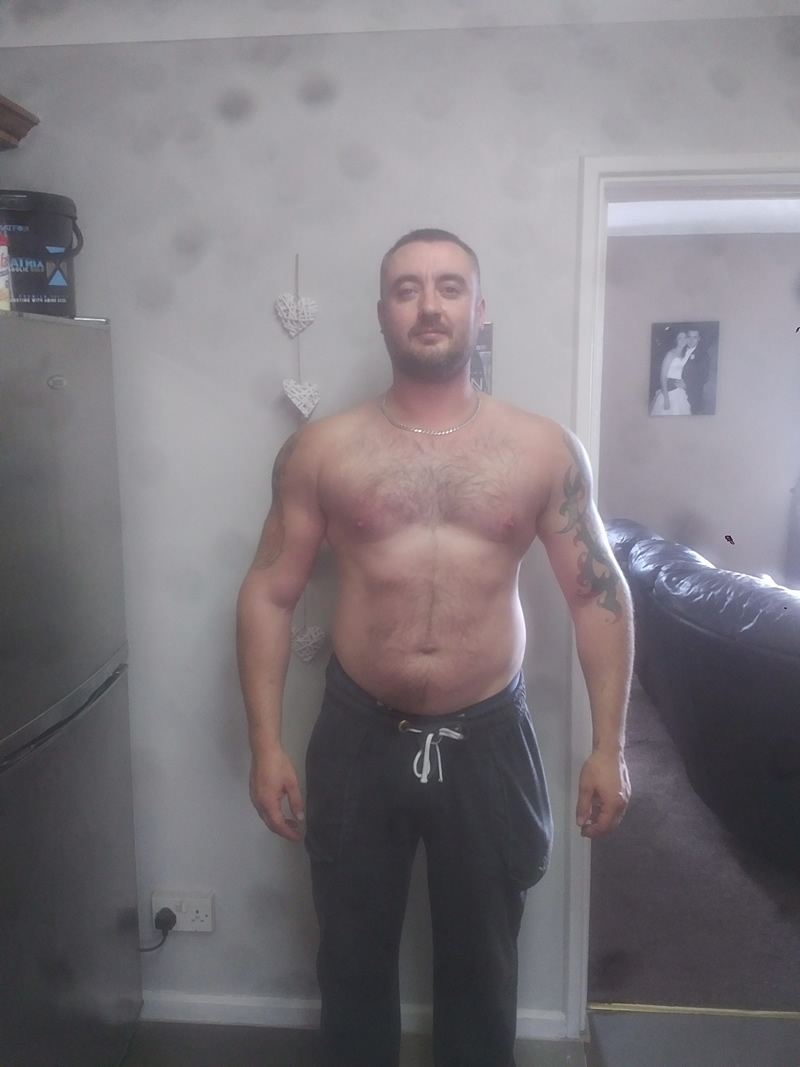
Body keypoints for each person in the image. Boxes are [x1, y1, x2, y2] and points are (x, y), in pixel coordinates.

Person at [237, 228, 633, 1067]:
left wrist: (611, 745)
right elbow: (269, 590)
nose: (429, 304)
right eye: (407, 288)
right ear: (382, 311)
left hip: (488, 737)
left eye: (450, 286)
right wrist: (265, 743)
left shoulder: (542, 448)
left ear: (478, 309)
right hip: (358, 734)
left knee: (481, 971)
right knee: (351, 963)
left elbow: (597, 596)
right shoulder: (322, 449)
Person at [649, 330, 692, 416]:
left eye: (684, 338)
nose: (683, 340)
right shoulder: (670, 354)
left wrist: (684, 383)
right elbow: (663, 376)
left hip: (680, 390)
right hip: (669, 391)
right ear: (676, 340)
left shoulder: (684, 354)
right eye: (680, 338)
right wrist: (666, 398)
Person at [681, 327, 710, 415]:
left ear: (699, 339)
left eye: (694, 337)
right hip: (675, 391)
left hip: (691, 395)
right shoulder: (680, 350)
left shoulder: (703, 355)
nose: (691, 340)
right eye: (689, 337)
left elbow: (704, 378)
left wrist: (685, 385)